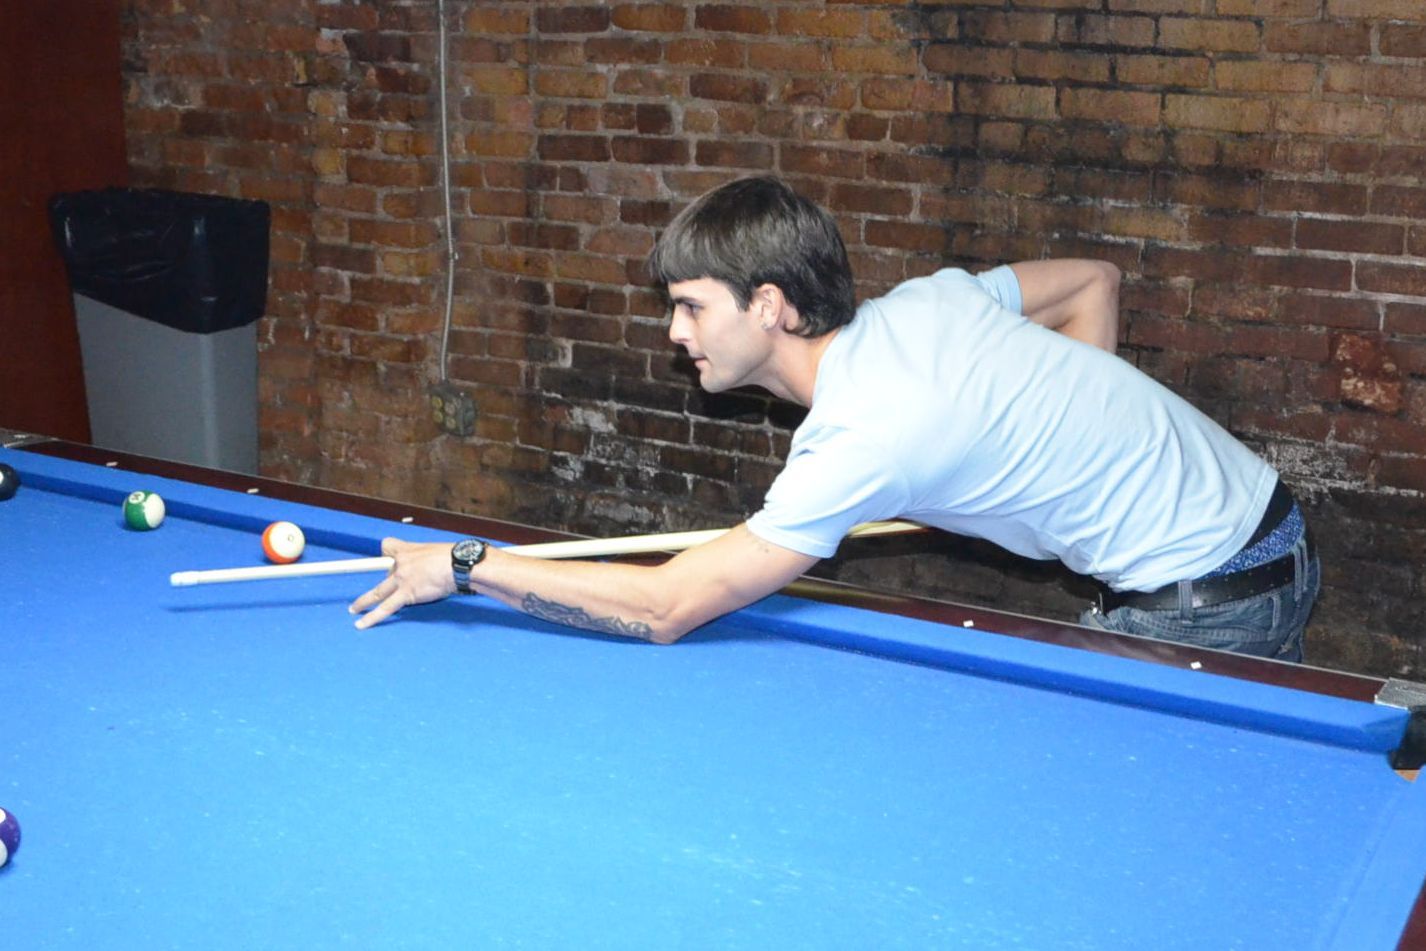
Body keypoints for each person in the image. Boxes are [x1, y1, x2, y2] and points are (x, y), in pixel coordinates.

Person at [351, 176, 1319, 660]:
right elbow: (1093, 282)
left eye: (690, 306)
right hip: (1271, 527)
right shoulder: (931, 301)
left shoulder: (859, 439)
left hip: (1209, 601)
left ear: (769, 305)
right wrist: (1075, 441)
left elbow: (665, 609)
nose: (674, 331)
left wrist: (468, 564)